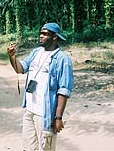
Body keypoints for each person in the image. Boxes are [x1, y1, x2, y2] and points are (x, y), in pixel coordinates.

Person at [7, 23, 74, 151]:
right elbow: (20, 69)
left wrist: (58, 118)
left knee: (46, 148)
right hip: (30, 111)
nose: (40, 36)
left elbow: (64, 91)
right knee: (28, 147)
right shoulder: (36, 52)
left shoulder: (62, 60)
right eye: (40, 33)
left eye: (45, 34)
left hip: (45, 114)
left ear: (54, 37)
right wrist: (12, 57)